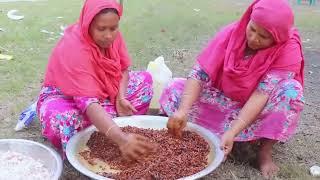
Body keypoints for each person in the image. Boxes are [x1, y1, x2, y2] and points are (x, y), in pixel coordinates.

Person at [159, 0, 304, 178]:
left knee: (291, 92)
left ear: (277, 37)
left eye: (264, 36)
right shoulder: (232, 33)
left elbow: (261, 94)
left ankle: (263, 151)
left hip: (257, 108)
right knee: (174, 87)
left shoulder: (288, 50)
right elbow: (199, 73)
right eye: (252, 29)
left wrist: (233, 130)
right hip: (227, 101)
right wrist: (182, 111)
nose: (253, 38)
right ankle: (235, 139)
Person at [37, 0, 155, 160]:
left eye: (113, 28)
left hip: (104, 90)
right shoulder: (74, 48)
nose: (108, 35)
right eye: (101, 29)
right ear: (88, 24)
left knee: (145, 81)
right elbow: (88, 102)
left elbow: (123, 70)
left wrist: (121, 97)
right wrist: (122, 140)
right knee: (63, 119)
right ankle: (110, 126)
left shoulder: (114, 38)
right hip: (66, 96)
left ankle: (107, 124)